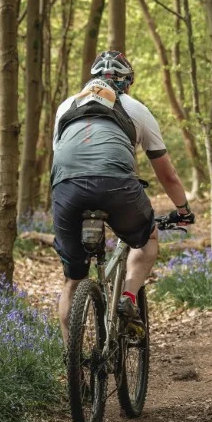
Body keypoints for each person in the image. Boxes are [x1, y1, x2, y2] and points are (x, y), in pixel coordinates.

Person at [50, 50, 194, 336]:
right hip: (115, 185)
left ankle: (71, 366)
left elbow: (61, 156)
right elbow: (167, 174)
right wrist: (182, 210)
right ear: (127, 82)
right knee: (147, 237)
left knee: (72, 280)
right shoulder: (135, 108)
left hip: (66, 188)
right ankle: (128, 299)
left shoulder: (67, 105)